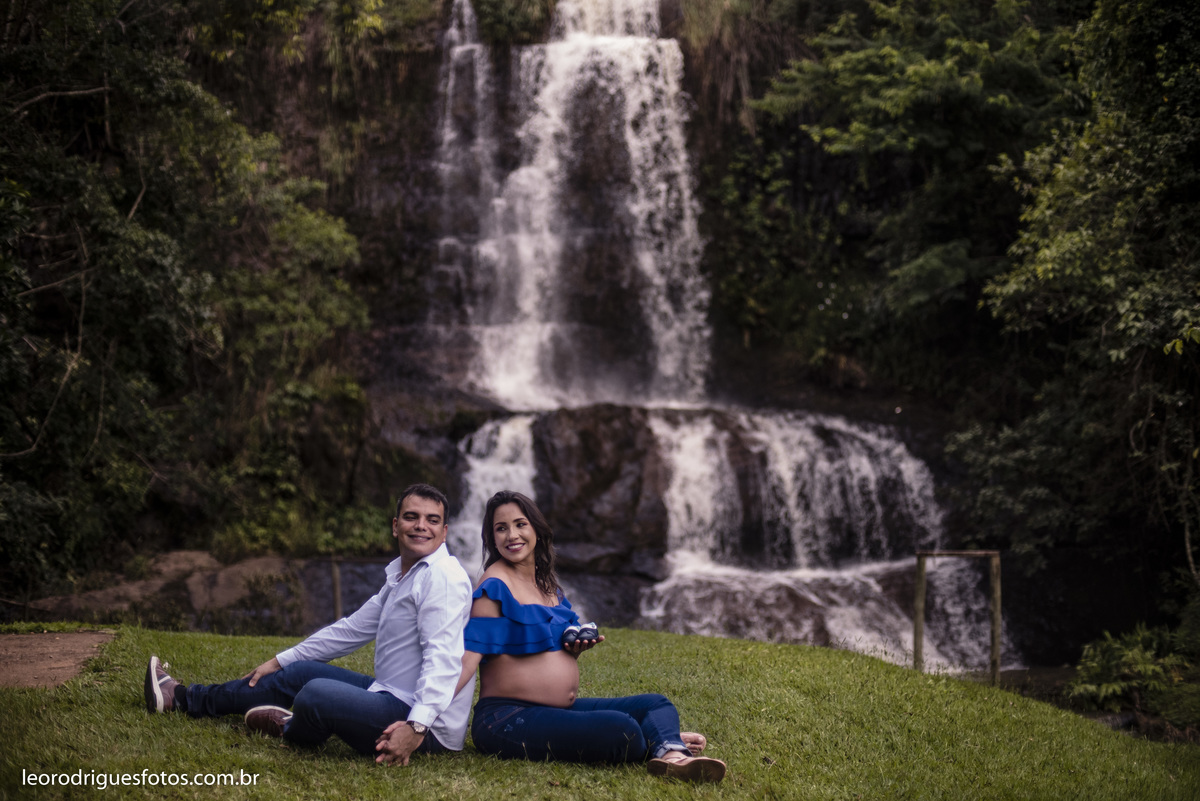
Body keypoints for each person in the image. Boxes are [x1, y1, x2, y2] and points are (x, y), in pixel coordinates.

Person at [144, 483, 474, 766]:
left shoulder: (441, 578)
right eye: (411, 517)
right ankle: (183, 698)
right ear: (395, 525)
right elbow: (351, 630)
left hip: (426, 725)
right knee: (300, 671)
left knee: (316, 693)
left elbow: (444, 657)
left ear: (444, 532)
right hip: (390, 695)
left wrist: (416, 728)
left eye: (433, 520)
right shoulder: (403, 576)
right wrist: (281, 659)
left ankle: (294, 727)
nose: (421, 526)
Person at [453, 490, 726, 782]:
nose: (511, 535)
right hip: (504, 719)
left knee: (655, 704)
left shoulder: (548, 587)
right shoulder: (494, 585)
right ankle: (657, 738)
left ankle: (673, 755)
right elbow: (469, 657)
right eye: (501, 528)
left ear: (536, 529)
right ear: (492, 539)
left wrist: (573, 651)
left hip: (556, 711)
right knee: (621, 729)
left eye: (520, 524)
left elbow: (542, 650)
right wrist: (420, 720)